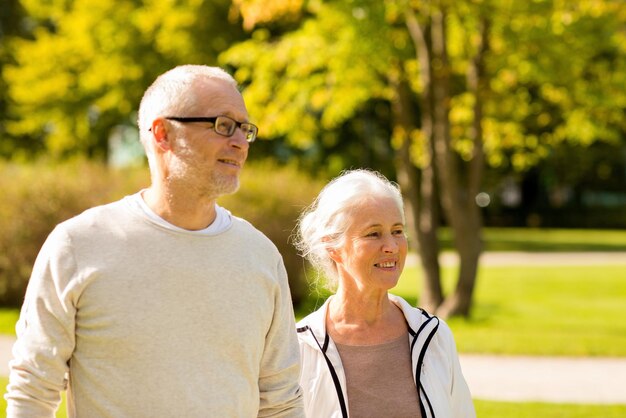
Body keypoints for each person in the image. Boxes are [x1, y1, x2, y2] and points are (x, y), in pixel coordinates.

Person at [6, 65, 304, 417]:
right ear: (163, 133)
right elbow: (32, 391)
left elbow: (281, 401)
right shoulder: (78, 245)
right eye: (223, 125)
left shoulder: (259, 255)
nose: (240, 142)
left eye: (244, 128)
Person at [293, 169, 475, 418]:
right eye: (373, 234)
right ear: (332, 247)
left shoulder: (435, 337)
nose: (391, 246)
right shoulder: (299, 349)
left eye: (397, 231)